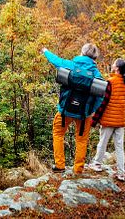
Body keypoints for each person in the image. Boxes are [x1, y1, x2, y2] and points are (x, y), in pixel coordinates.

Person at [42, 43, 103, 174]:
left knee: (58, 134)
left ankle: (60, 165)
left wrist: (46, 51)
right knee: (81, 140)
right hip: (84, 114)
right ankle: (78, 169)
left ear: (82, 52)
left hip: (65, 111)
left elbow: (56, 61)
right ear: (94, 57)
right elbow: (101, 96)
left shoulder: (71, 65)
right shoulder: (96, 74)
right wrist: (91, 110)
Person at [88, 58, 125, 181]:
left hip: (108, 120)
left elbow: (103, 103)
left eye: (114, 64)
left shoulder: (110, 82)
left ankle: (97, 164)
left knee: (103, 143)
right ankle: (121, 173)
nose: (112, 65)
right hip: (120, 120)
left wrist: (94, 120)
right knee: (119, 147)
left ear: (117, 68)